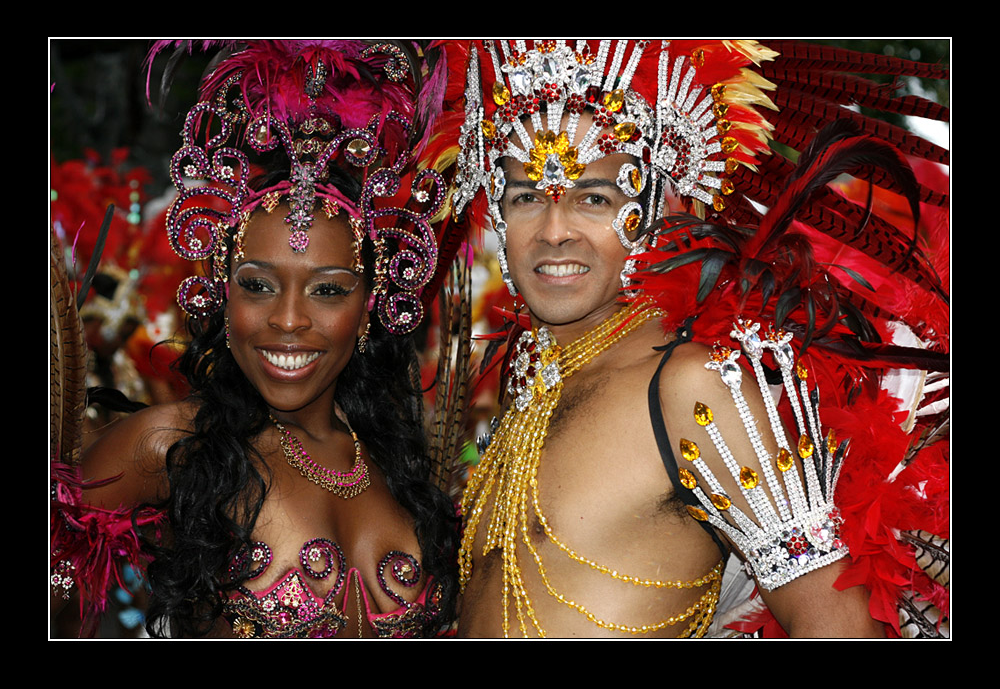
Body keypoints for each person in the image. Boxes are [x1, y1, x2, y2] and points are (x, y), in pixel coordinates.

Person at [443, 40, 949, 638]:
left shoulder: (694, 383)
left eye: (595, 198)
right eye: (527, 196)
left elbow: (832, 623)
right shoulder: (535, 375)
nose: (554, 232)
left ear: (662, 203)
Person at [50, 40, 459, 638]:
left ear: (370, 304)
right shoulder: (174, 445)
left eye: (327, 290)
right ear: (222, 293)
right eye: (259, 285)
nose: (288, 320)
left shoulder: (405, 470)